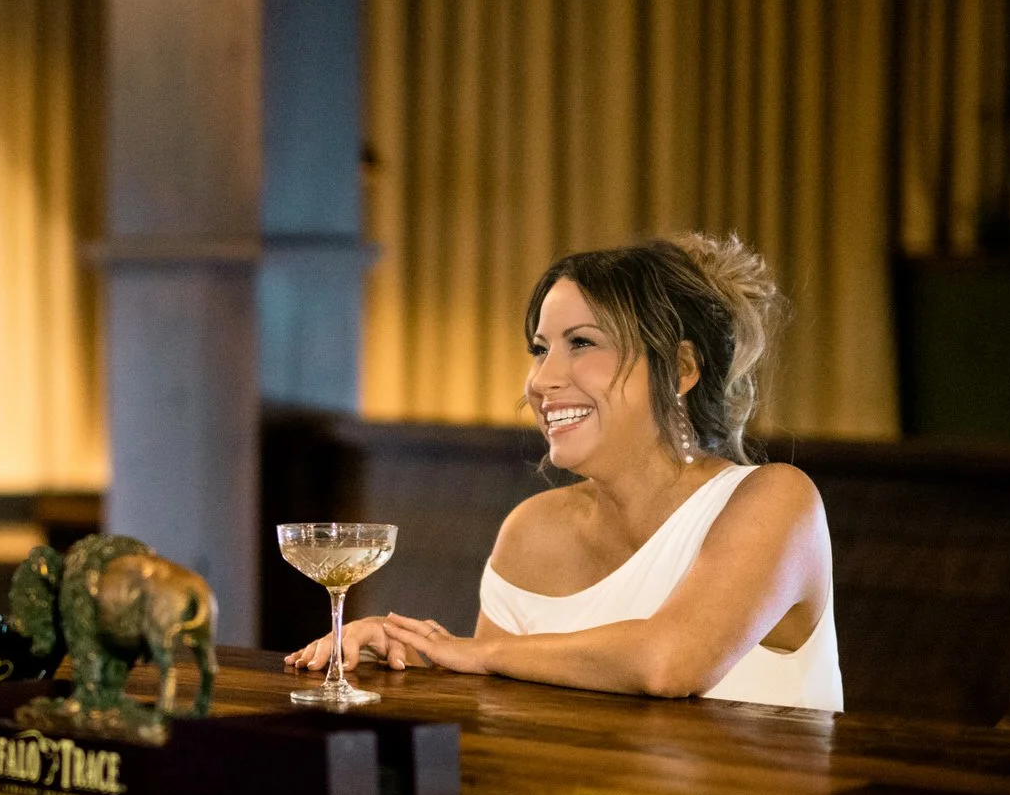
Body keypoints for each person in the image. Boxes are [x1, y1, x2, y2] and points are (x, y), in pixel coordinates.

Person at [286, 234, 842, 712]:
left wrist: (467, 650)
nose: (543, 380)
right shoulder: (531, 531)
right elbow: (499, 711)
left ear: (680, 369)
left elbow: (668, 662)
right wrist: (408, 654)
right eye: (539, 348)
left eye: (582, 343)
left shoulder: (776, 501)